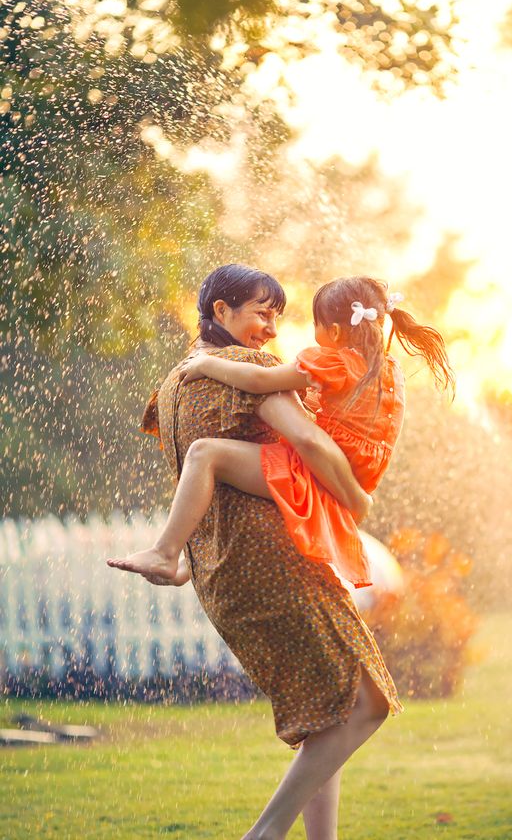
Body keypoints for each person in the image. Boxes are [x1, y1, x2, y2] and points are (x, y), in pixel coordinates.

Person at [107, 264, 442, 840]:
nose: (271, 328)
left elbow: (196, 476)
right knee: (365, 702)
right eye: (263, 313)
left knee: (329, 709)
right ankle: (265, 833)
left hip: (220, 572)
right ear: (221, 311)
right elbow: (309, 439)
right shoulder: (253, 368)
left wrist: (190, 554)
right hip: (277, 557)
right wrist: (356, 498)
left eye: (278, 315)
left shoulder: (172, 385)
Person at [109, 277, 454, 591]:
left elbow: (260, 381)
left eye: (316, 324)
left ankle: (165, 552)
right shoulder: (389, 370)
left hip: (316, 470)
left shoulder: (334, 362)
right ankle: (189, 564)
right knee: (239, 486)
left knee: (205, 454)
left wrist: (206, 365)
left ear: (333, 332)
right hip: (361, 471)